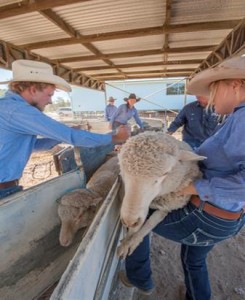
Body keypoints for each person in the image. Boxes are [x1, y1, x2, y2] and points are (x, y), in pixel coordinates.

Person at [119, 56, 245, 300]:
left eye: (213, 89)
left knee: (134, 218)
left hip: (206, 215)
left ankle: (139, 277)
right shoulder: (235, 118)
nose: (209, 98)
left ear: (236, 84)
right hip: (227, 215)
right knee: (193, 259)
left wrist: (196, 188)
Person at [0, 59, 130, 200]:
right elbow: (73, 137)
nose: (50, 101)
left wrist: (60, 136)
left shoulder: (8, 108)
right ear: (33, 89)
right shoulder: (19, 111)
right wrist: (115, 138)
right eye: (49, 94)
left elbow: (32, 146)